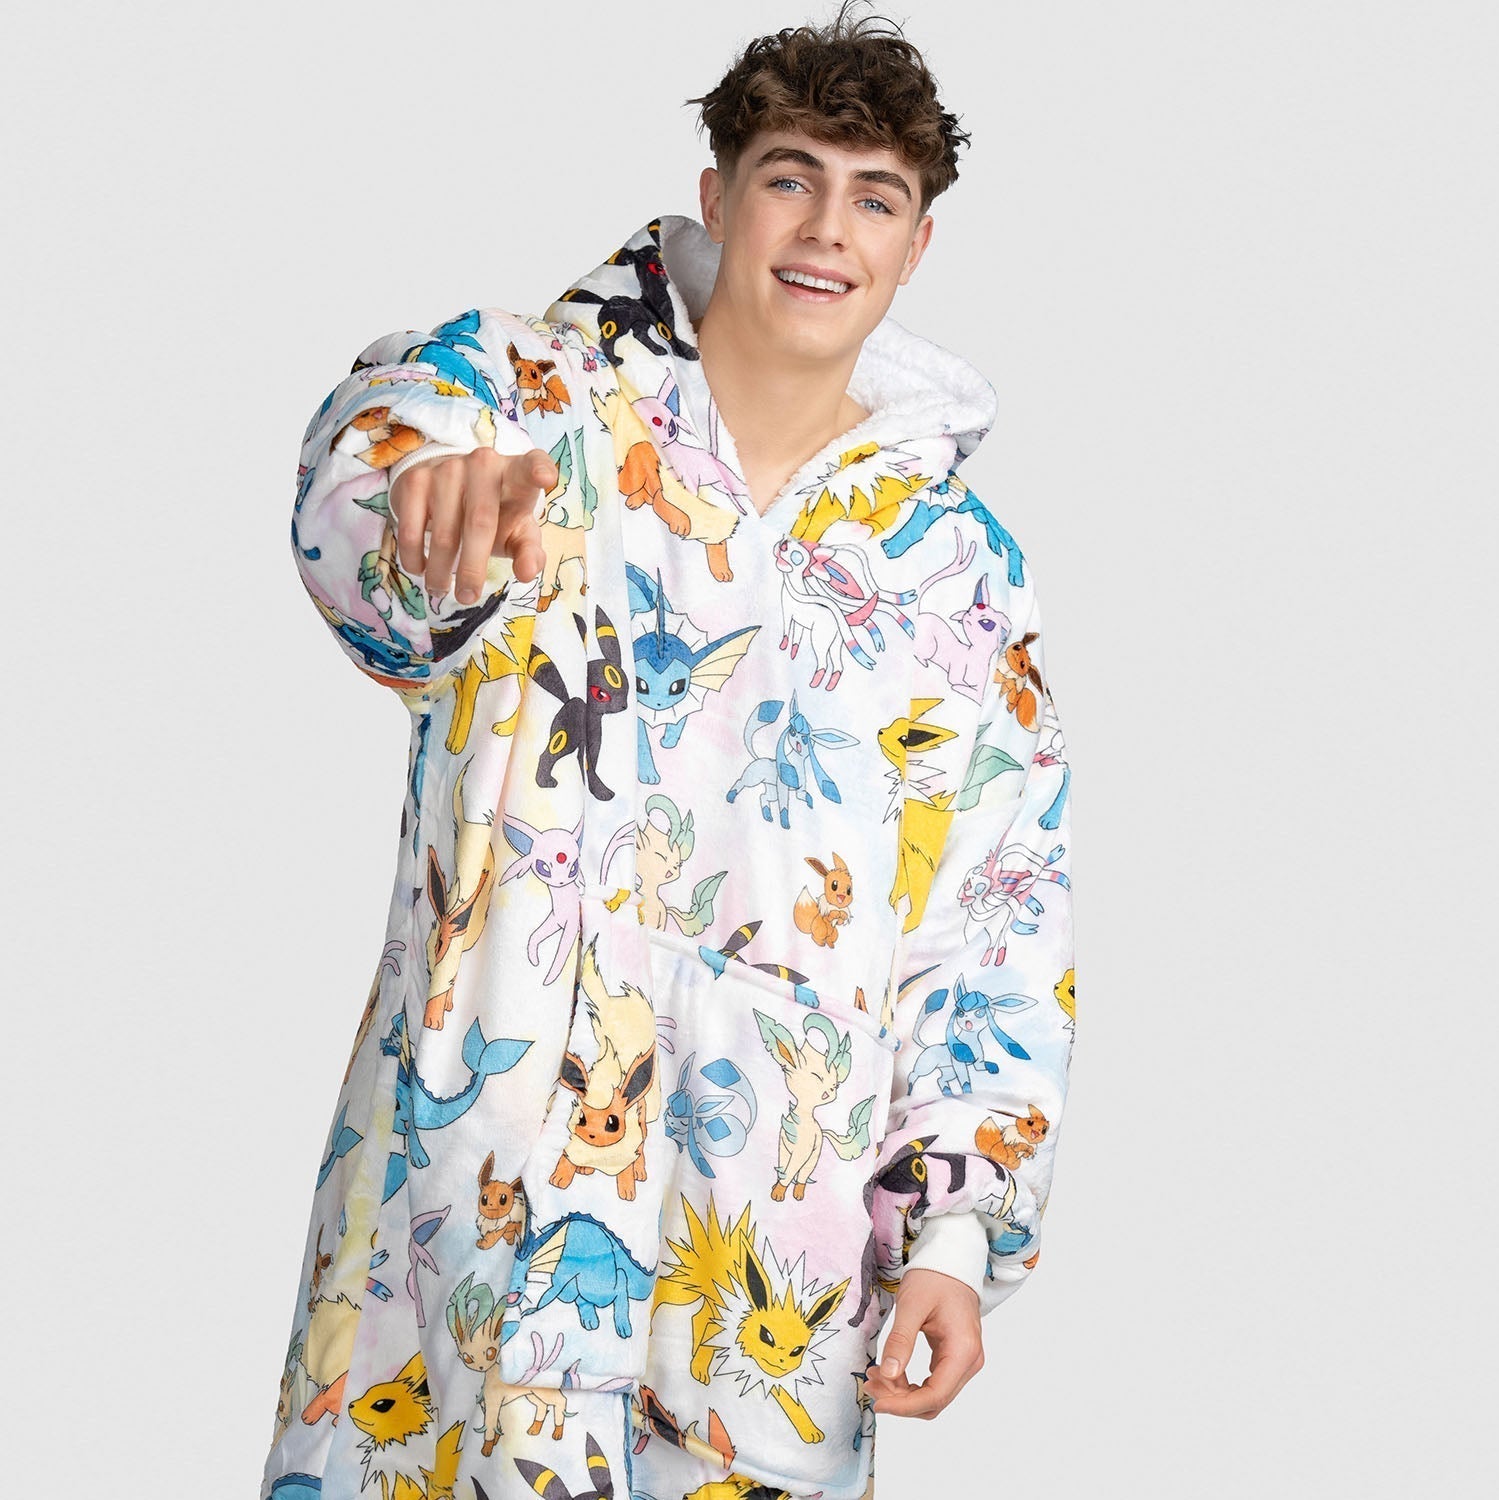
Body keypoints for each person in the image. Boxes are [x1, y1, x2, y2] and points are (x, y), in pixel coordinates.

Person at [262, 5, 1077, 1498]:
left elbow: (995, 917)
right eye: (790, 178)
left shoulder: (960, 573)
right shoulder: (532, 401)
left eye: (873, 198)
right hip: (473, 1240)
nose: (825, 230)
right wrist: (425, 496)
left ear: (916, 245)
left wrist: (954, 1236)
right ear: (717, 193)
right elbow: (373, 469)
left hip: (763, 1294)